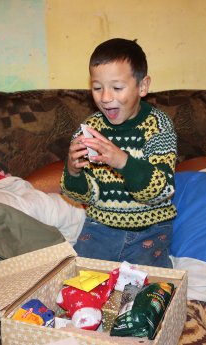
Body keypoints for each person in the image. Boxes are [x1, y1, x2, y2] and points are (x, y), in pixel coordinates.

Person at [60, 38, 178, 268]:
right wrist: (73, 172)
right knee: (76, 280)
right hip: (100, 228)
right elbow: (86, 196)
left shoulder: (158, 125)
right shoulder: (91, 127)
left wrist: (123, 162)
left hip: (150, 230)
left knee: (146, 289)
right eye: (97, 88)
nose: (105, 97)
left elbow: (163, 189)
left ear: (142, 87)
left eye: (117, 87)